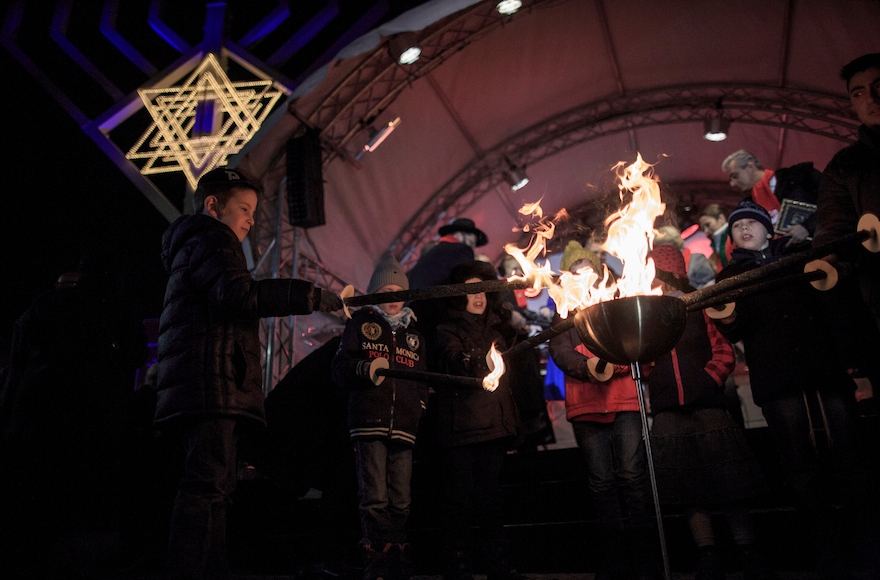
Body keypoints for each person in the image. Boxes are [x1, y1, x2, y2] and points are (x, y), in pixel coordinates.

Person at [155, 166, 342, 580]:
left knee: (214, 488)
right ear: (212, 206)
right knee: (208, 487)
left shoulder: (196, 246)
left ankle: (210, 569)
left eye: (253, 211)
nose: (251, 219)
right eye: (243, 207)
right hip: (210, 385)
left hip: (204, 384)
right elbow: (238, 294)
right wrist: (309, 295)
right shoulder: (211, 239)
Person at [712, 200, 866, 578]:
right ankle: (826, 554)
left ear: (769, 228)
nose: (744, 229)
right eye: (737, 226)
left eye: (752, 222)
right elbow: (734, 328)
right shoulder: (731, 276)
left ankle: (864, 547)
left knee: (848, 460)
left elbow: (835, 302)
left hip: (823, 371)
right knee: (801, 470)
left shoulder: (803, 257)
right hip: (779, 381)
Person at [0, 251, 148, 576]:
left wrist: (11, 418)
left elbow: (16, 368)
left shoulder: (43, 307)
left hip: (37, 421)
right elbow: (136, 354)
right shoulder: (113, 312)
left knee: (38, 516)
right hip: (89, 426)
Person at [646, 245, 770, 580]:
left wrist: (707, 379)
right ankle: (707, 552)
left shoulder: (699, 305)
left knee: (730, 482)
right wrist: (654, 380)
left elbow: (723, 350)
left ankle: (747, 549)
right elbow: (644, 362)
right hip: (670, 411)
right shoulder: (646, 316)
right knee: (688, 488)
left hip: (708, 406)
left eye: (664, 276)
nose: (661, 284)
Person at [548, 241, 656, 580]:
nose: (584, 275)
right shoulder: (563, 313)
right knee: (601, 483)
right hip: (586, 405)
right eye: (576, 270)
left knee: (632, 478)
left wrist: (613, 366)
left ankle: (644, 555)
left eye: (588, 268)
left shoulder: (616, 300)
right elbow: (561, 353)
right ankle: (614, 558)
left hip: (624, 402)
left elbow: (634, 346)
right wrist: (591, 366)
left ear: (598, 272)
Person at [332, 253, 429, 580]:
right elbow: (340, 370)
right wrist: (364, 369)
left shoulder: (414, 334)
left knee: (401, 498)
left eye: (397, 292)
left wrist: (419, 407)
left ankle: (397, 551)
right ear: (374, 295)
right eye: (385, 291)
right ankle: (378, 556)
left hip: (404, 425)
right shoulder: (359, 324)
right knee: (374, 495)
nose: (392, 298)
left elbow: (423, 379)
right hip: (368, 422)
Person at [434, 260, 525, 580]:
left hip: (493, 427)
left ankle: (498, 566)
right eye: (471, 291)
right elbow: (456, 360)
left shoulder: (498, 330)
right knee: (459, 499)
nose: (479, 296)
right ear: (459, 296)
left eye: (483, 290)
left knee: (492, 499)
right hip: (463, 428)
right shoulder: (447, 330)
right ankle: (457, 568)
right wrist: (479, 360)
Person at [813, 53, 880, 337]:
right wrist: (828, 258)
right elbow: (834, 230)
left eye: (879, 86)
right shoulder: (846, 166)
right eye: (859, 92)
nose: (871, 98)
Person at [721, 150, 822, 244]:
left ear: (750, 167)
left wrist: (807, 227)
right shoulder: (747, 206)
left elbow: (833, 201)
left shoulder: (800, 176)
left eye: (735, 176)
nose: (732, 184)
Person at [654, 225, 716, 289]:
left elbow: (710, 284)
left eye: (665, 246)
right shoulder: (663, 269)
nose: (663, 251)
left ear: (675, 242)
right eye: (659, 248)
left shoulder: (696, 259)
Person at [698, 204, 734, 269]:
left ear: (721, 218)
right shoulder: (716, 247)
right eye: (703, 229)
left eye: (708, 225)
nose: (706, 232)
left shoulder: (736, 237)